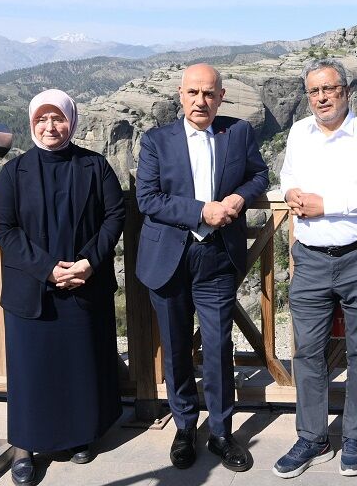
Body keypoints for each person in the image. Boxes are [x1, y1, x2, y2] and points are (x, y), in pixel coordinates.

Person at [135, 63, 268, 473]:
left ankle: (222, 433)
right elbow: (148, 199)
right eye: (193, 93)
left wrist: (238, 200)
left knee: (218, 346)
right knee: (175, 348)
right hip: (169, 259)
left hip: (217, 260)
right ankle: (184, 427)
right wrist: (201, 211)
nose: (201, 101)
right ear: (180, 94)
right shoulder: (157, 140)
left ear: (221, 96)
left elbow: (260, 175)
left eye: (209, 94)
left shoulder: (238, 132)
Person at [0, 89, 125, 486]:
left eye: (58, 118)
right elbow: (3, 228)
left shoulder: (94, 166)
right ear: (32, 124)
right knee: (32, 373)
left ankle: (80, 435)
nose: (50, 127)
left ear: (72, 120)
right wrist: (48, 269)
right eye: (42, 120)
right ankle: (25, 448)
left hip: (84, 283)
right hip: (33, 291)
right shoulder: (14, 172)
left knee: (78, 366)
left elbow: (114, 215)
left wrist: (88, 261)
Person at [272, 59, 357, 479]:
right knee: (307, 352)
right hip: (309, 259)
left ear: (346, 90)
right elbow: (288, 173)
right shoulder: (299, 134)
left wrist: (328, 204)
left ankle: (356, 436)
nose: (322, 97)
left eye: (330, 89)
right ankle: (312, 436)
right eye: (314, 92)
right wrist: (290, 190)